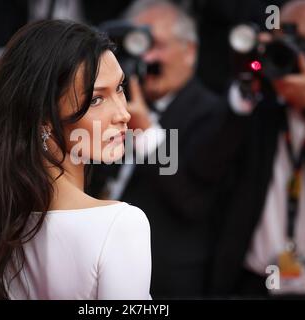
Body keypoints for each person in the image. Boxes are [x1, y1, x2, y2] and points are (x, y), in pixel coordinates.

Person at [0, 20, 152, 300]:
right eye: (97, 99)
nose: (123, 113)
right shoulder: (120, 224)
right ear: (45, 118)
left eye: (120, 88)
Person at [202, 0, 305, 297]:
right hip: (250, 282)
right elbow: (204, 168)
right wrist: (246, 87)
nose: (304, 53)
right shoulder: (256, 99)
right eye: (292, 41)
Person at [92, 0, 224, 298]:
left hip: (168, 281)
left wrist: (146, 131)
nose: (146, 57)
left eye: (157, 45)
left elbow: (191, 200)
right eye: (138, 44)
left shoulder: (211, 113)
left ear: (190, 51)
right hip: (102, 272)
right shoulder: (113, 106)